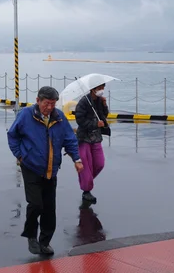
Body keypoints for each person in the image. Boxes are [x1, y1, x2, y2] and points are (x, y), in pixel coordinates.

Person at [7, 86, 84, 256]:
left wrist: (76, 159)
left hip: (51, 170)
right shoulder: (26, 115)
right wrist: (20, 156)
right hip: (31, 167)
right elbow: (12, 135)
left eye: (53, 104)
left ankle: (45, 241)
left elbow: (70, 139)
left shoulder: (59, 118)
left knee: (49, 209)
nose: (49, 107)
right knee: (35, 204)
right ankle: (31, 237)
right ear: (38, 101)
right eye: (46, 103)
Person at [74, 83, 109, 204]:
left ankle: (86, 180)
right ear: (93, 89)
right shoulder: (83, 102)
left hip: (96, 138)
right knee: (85, 164)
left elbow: (104, 115)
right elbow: (80, 120)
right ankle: (86, 190)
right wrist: (95, 124)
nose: (102, 90)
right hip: (84, 138)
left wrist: (104, 105)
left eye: (103, 88)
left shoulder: (99, 101)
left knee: (100, 163)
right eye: (100, 88)